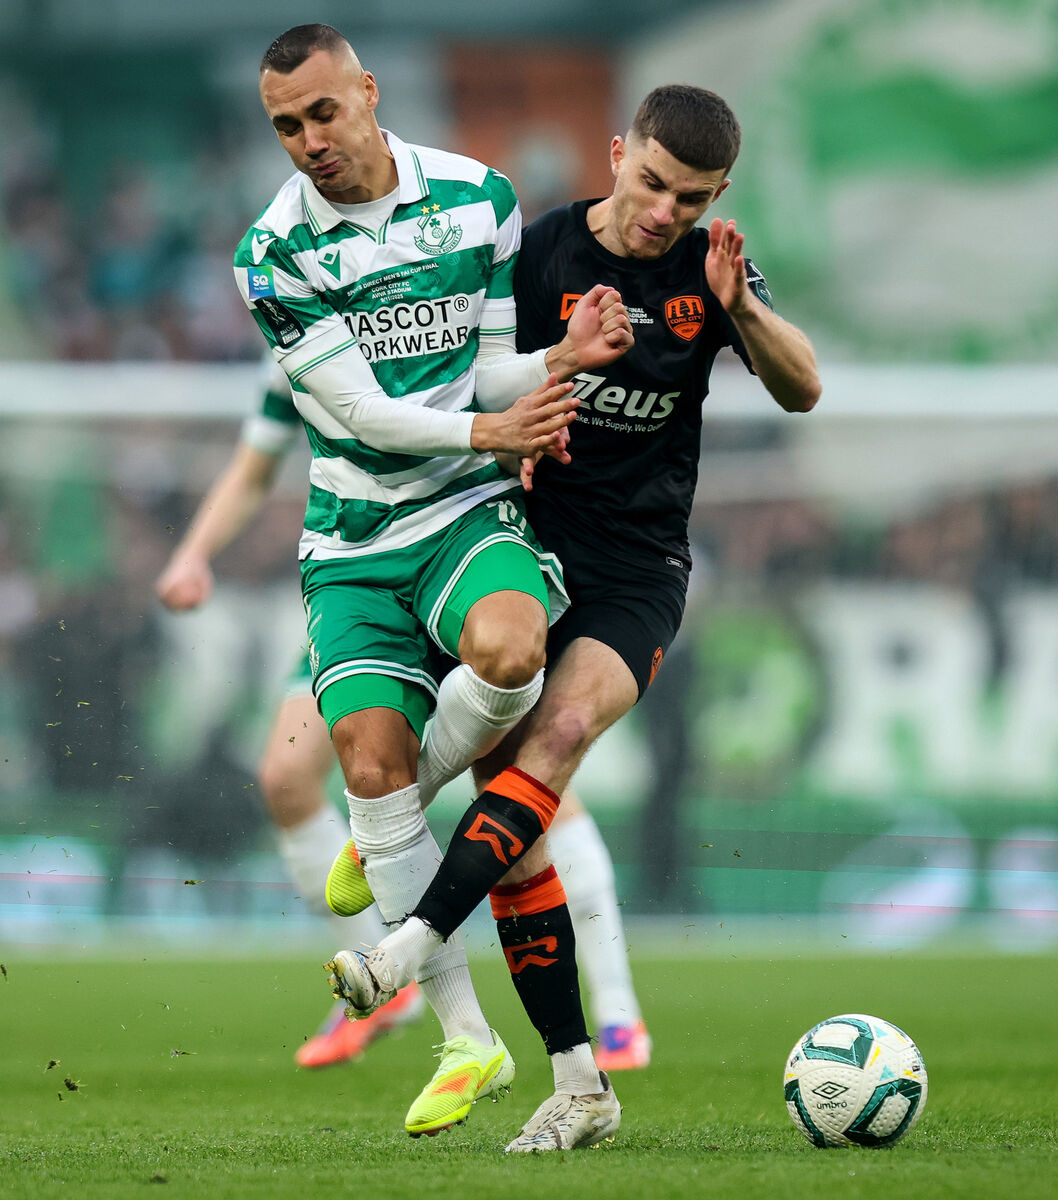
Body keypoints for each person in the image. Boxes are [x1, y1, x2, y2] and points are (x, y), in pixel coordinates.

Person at [326, 83, 821, 1152]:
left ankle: (405, 948)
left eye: (687, 198)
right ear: (616, 155)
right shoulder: (543, 249)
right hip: (519, 542)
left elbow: (802, 387)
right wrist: (516, 422)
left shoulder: (710, 269)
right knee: (507, 836)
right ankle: (579, 1084)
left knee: (549, 750)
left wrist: (741, 309)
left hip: (638, 567)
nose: (660, 213)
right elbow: (472, 373)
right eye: (648, 184)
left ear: (715, 194)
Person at [234, 24, 632, 1144]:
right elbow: (356, 413)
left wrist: (559, 363)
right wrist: (490, 422)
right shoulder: (271, 253)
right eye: (285, 126)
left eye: (323, 111)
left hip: (462, 509)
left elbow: (487, 362)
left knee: (511, 650)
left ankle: (383, 834)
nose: (309, 140)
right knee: (368, 757)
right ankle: (468, 1041)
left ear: (367, 92)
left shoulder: (479, 195)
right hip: (355, 535)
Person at [155, 358, 424, 1069]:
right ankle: (386, 981)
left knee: (520, 780)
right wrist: (193, 555)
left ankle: (609, 1021)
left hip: (454, 572)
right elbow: (252, 470)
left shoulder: (436, 312)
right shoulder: (297, 353)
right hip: (351, 586)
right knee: (284, 778)